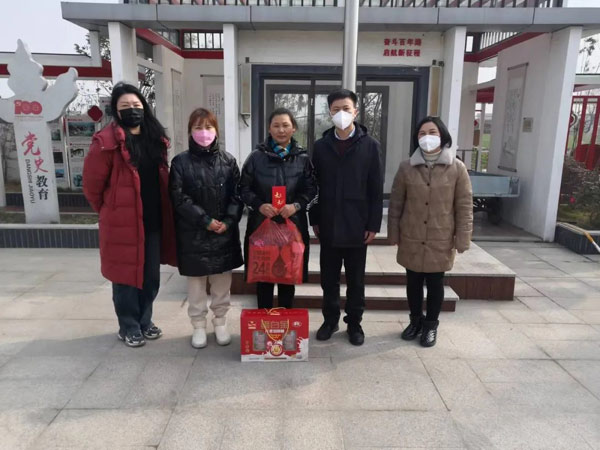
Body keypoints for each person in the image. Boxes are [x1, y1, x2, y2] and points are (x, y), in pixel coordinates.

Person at [83, 82, 177, 348]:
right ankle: (128, 326)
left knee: (150, 276)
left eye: (136, 105)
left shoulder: (155, 139)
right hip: (123, 223)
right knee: (125, 277)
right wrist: (110, 210)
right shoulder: (105, 143)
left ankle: (145, 321)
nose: (132, 110)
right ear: (116, 110)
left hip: (153, 219)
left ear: (144, 108)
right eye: (125, 106)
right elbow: (92, 187)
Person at [388, 116, 473, 347]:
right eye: (422, 133)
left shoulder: (457, 168)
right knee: (413, 282)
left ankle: (430, 326)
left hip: (440, 237)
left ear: (442, 136)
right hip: (412, 236)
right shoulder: (406, 167)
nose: (427, 137)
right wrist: (393, 233)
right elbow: (396, 203)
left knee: (436, 284)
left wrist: (463, 238)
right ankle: (415, 321)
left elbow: (464, 206)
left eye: (432, 132)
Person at [309, 89, 383, 346]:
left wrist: (373, 224)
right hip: (328, 223)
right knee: (328, 279)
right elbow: (314, 187)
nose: (341, 114)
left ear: (356, 111)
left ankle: (354, 324)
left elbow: (376, 189)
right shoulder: (321, 147)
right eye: (336, 109)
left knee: (356, 280)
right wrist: (314, 219)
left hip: (357, 224)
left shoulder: (370, 146)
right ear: (329, 113)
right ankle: (330, 321)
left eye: (346, 109)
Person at [169, 108, 243, 349]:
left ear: (216, 131)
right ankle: (198, 325)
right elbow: (179, 198)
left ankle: (220, 322)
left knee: (222, 284)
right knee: (196, 286)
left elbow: (237, 195)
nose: (204, 132)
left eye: (208, 127)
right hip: (194, 234)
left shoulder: (228, 161)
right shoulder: (180, 162)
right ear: (190, 131)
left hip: (224, 233)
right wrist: (205, 221)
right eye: (198, 127)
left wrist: (229, 221)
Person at [240, 107, 317, 309]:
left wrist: (296, 206)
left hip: (293, 226)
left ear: (294, 128)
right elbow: (243, 188)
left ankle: (284, 322)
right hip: (261, 226)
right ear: (269, 128)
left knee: (288, 279)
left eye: (285, 125)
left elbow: (311, 189)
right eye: (276, 125)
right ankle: (265, 322)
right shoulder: (256, 158)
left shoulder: (302, 159)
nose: (281, 130)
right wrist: (259, 205)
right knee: (263, 280)